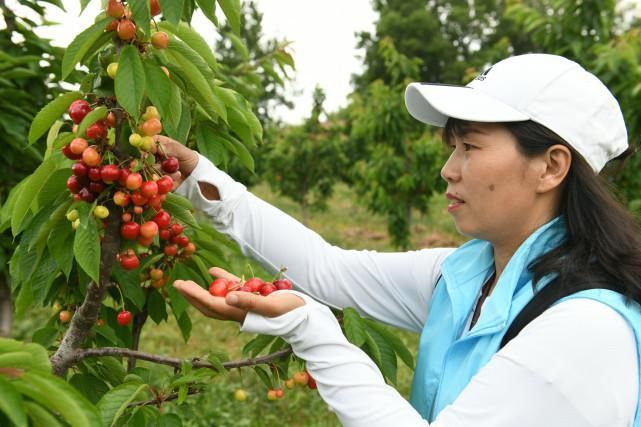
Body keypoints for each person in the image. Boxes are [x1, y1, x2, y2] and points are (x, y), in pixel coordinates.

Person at [158, 53, 641, 426]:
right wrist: (199, 179)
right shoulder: (468, 277)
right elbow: (328, 270)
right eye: (453, 147)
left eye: (470, 147)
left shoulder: (583, 329)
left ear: (551, 166)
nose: (447, 170)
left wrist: (309, 329)